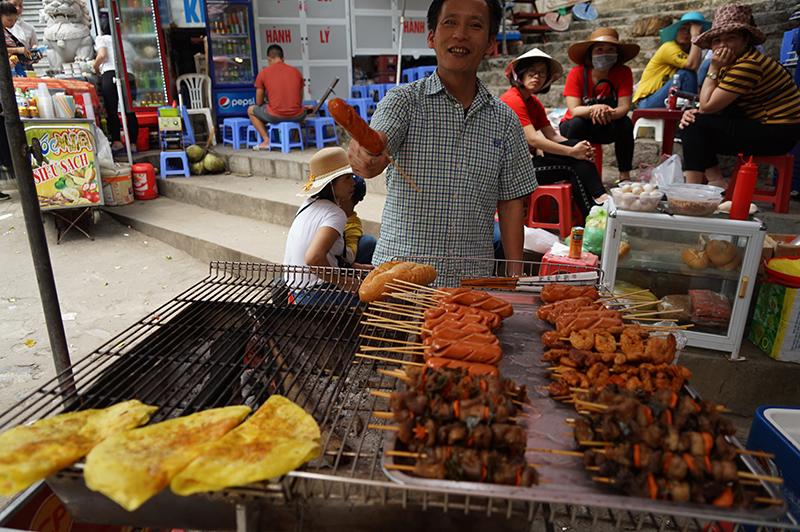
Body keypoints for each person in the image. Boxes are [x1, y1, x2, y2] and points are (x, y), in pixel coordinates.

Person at [348, 0, 536, 284]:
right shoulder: (403, 102)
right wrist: (367, 153)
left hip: (470, 283)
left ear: (489, 44)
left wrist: (515, 276)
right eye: (450, 22)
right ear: (432, 37)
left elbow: (511, 202)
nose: (460, 34)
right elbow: (378, 141)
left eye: (475, 25)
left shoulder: (506, 120)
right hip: (399, 282)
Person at [679, 3, 800, 187]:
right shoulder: (732, 63)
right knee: (693, 122)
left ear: (745, 39)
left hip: (779, 131)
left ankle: (693, 190)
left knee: (694, 127)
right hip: (761, 122)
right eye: (717, 40)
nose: (722, 45)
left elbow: (707, 105)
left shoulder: (747, 65)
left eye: (731, 38)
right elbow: (711, 104)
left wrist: (712, 67)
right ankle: (712, 185)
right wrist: (694, 112)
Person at [500, 48, 606, 220]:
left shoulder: (533, 102)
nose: (536, 77)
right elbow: (533, 140)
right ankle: (600, 203)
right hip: (509, 171)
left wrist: (581, 148)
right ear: (520, 74)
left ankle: (594, 212)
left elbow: (553, 136)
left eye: (542, 73)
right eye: (532, 71)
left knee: (578, 159)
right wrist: (573, 152)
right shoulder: (513, 99)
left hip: (525, 164)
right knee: (572, 164)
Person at [284, 147, 375, 303]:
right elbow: (314, 258)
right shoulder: (335, 213)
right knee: (377, 298)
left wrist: (353, 267)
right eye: (347, 178)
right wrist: (346, 283)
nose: (353, 183)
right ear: (331, 184)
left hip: (295, 288)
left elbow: (326, 255)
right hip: (313, 294)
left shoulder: (308, 203)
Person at [560, 28, 639, 181]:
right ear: (591, 53)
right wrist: (593, 109)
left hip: (607, 122)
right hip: (578, 125)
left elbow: (623, 107)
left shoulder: (623, 72)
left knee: (626, 124)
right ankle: (574, 174)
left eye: (610, 49)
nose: (605, 53)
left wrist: (605, 112)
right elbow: (575, 109)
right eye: (599, 49)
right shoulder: (576, 73)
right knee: (577, 124)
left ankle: (624, 175)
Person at [634, 12, 711, 109]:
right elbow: (692, 65)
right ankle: (692, 110)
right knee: (686, 73)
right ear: (676, 31)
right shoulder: (668, 47)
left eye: (690, 31)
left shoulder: (691, 53)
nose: (686, 33)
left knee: (707, 64)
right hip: (647, 101)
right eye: (683, 29)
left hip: (668, 97)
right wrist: (696, 35)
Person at [248, 44, 306, 151]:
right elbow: (300, 97)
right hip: (297, 115)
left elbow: (259, 101)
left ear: (269, 59)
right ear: (283, 58)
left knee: (251, 110)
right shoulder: (296, 72)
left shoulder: (264, 73)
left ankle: (266, 140)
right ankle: (295, 139)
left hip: (275, 115)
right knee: (301, 111)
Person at [93, 16, 138, 153]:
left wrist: (95, 68)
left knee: (112, 110)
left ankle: (117, 141)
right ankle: (133, 143)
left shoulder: (102, 39)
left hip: (110, 74)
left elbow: (102, 55)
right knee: (129, 110)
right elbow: (136, 62)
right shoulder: (125, 42)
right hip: (129, 75)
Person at [340, 175, 378, 265]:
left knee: (368, 242)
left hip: (339, 265)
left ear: (349, 194)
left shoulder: (352, 225)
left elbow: (350, 256)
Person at [7, 0, 36, 73]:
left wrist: (35, 54)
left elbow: (34, 46)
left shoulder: (29, 28)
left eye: (20, 6)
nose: (17, 8)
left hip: (26, 70)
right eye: (14, 5)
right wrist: (17, 50)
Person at [1, 1, 29, 76]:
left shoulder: (6, 32)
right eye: (9, 20)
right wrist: (17, 50)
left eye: (15, 20)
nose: (12, 23)